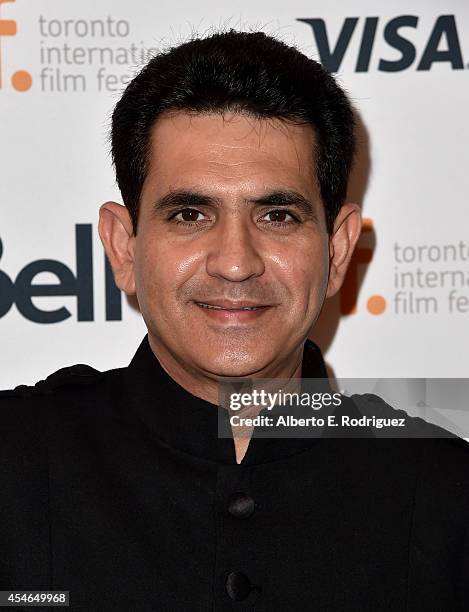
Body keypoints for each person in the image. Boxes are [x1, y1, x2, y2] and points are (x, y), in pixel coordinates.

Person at [1, 29, 468, 611]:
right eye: (191, 213)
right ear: (123, 247)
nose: (236, 263)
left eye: (277, 215)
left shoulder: (447, 497)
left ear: (338, 250)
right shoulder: (13, 462)